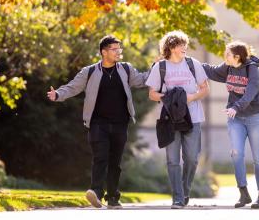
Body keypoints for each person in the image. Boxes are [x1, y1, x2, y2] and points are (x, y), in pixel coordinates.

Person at [47, 35, 149, 209]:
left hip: (120, 123)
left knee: (115, 162)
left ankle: (113, 198)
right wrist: (57, 94)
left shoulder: (126, 69)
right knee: (100, 157)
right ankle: (95, 192)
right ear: (104, 52)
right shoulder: (90, 71)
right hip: (97, 123)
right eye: (114, 49)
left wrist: (158, 68)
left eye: (119, 49)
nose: (118, 52)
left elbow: (141, 80)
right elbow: (73, 87)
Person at [202, 41, 259, 209]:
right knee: (236, 154)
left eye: (227, 54)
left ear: (237, 57)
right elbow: (211, 71)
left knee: (258, 158)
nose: (225, 56)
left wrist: (236, 107)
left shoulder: (252, 69)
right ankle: (244, 193)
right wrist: (189, 61)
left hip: (256, 118)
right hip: (236, 119)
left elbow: (251, 91)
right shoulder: (228, 68)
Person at [146, 31, 209, 209]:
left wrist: (191, 97)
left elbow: (205, 89)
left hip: (193, 118)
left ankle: (185, 189)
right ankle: (178, 198)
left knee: (192, 158)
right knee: (173, 160)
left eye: (185, 45)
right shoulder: (160, 67)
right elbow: (151, 94)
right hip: (170, 119)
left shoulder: (192, 64)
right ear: (171, 47)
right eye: (181, 45)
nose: (185, 48)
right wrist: (169, 98)